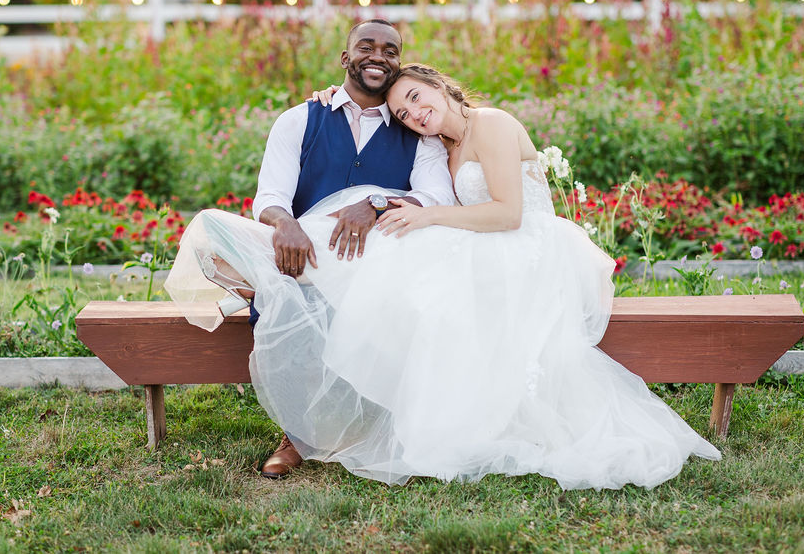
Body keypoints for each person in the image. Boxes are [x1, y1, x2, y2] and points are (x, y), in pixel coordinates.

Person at [171, 60, 721, 490]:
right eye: (404, 113)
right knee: (397, 253)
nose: (412, 116)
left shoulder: (494, 124)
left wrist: (421, 215)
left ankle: (274, 267)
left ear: (440, 87)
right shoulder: (436, 142)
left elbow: (510, 214)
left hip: (522, 248)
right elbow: (432, 193)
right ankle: (271, 259)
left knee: (407, 258)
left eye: (415, 99)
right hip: (477, 239)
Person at [165, 21, 456, 479]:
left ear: (399, 63)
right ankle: (298, 434)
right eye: (366, 46)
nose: (378, 56)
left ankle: (255, 287)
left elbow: (437, 196)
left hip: (377, 261)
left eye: (390, 50)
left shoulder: (417, 132)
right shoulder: (301, 118)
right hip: (305, 252)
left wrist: (377, 203)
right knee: (209, 229)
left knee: (294, 293)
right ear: (346, 58)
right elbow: (270, 196)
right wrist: (286, 225)